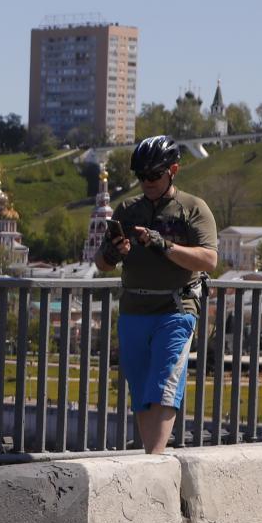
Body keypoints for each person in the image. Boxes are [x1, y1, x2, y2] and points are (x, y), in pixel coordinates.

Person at [94, 135, 218, 453]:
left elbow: (209, 260)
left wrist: (164, 245)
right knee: (141, 389)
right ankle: (152, 458)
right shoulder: (127, 209)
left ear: (173, 170)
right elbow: (102, 264)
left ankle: (153, 458)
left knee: (164, 385)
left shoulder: (193, 208)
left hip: (175, 308)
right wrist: (112, 252)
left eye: (154, 175)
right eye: (141, 175)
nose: (147, 181)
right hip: (134, 309)